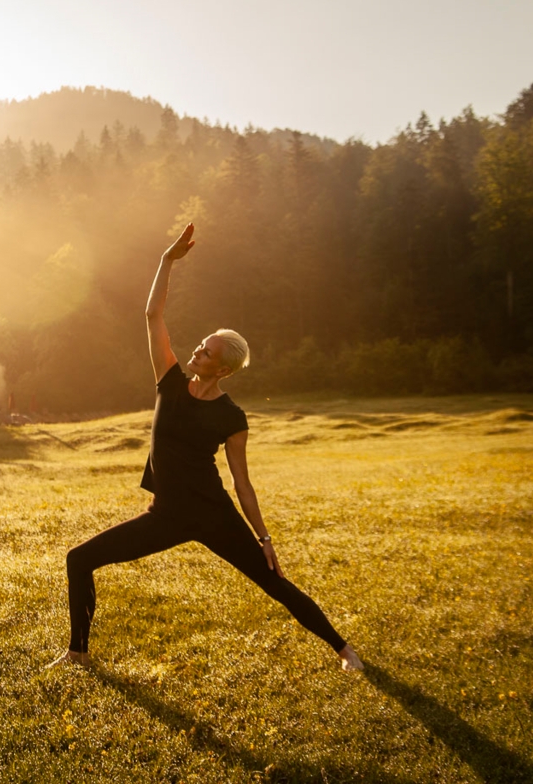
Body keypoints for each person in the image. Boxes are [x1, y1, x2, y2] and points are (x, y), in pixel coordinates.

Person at [49, 223, 363, 673]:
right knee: (79, 559)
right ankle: (77, 653)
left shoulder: (231, 417)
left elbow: (242, 482)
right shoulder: (170, 382)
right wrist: (166, 260)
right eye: (200, 345)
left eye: (207, 352)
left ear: (223, 369)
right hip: (165, 515)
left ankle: (344, 650)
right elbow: (152, 316)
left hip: (214, 515)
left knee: (274, 582)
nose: (197, 351)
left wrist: (265, 539)